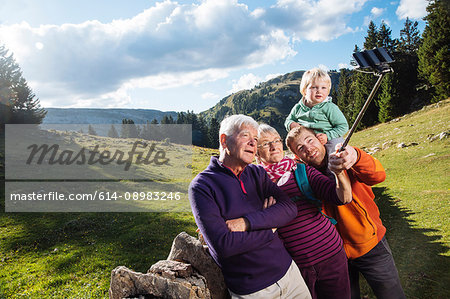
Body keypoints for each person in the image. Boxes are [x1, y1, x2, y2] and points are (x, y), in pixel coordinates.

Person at [188, 115, 311, 298]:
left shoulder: (257, 173)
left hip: (289, 274)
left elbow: (289, 209)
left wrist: (247, 222)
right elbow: (224, 246)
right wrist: (271, 226)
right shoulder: (202, 187)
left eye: (255, 139)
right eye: (245, 136)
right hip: (252, 290)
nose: (253, 144)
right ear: (224, 140)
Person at [286, 125, 406, 299]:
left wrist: (356, 156)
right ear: (297, 157)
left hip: (370, 244)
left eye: (309, 140)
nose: (308, 149)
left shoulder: (344, 156)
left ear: (320, 139)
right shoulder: (302, 178)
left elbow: (378, 176)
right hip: (334, 255)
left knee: (391, 294)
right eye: (301, 148)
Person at [255, 123, 352, 299]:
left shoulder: (301, 170)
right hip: (295, 267)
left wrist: (339, 174)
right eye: (266, 143)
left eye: (276, 140)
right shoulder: (255, 185)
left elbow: (341, 198)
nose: (274, 146)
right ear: (256, 151)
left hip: (331, 254)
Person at [284, 67, 349, 157]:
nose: (319, 91)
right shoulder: (298, 108)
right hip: (306, 142)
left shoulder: (330, 107)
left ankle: (335, 170)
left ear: (328, 90)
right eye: (314, 87)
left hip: (328, 140)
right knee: (296, 155)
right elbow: (288, 120)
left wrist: (327, 136)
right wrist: (291, 124)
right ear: (304, 91)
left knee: (335, 150)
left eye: (323, 88)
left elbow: (343, 126)